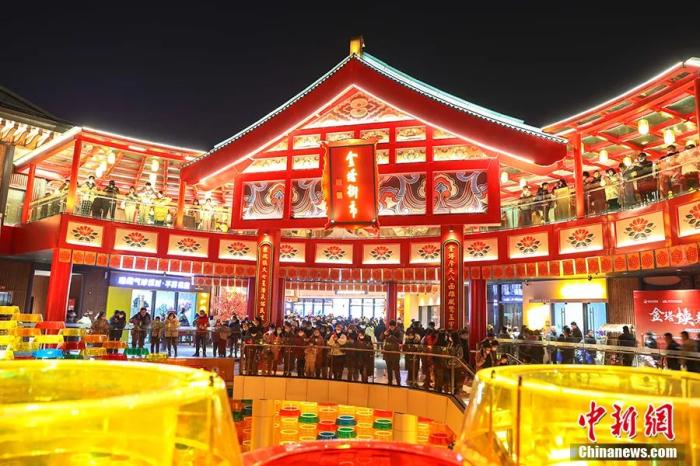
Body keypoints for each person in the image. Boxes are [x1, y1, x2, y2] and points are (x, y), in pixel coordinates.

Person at [382, 320, 403, 386]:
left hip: (395, 352)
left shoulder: (399, 332)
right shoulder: (388, 331)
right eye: (390, 326)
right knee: (389, 368)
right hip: (387, 352)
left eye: (392, 327)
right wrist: (384, 334)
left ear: (395, 326)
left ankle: (398, 382)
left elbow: (400, 341)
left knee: (396, 368)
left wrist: (391, 337)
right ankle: (390, 381)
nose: (391, 328)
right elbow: (381, 338)